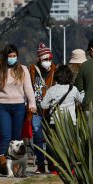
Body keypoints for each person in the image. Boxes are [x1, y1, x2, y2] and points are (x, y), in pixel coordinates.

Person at [0, 44, 37, 160]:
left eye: (14, 56)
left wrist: (32, 104)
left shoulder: (23, 70)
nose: (12, 58)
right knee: (5, 136)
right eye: (10, 56)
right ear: (5, 57)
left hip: (19, 107)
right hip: (2, 107)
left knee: (16, 138)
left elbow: (28, 88)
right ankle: (3, 162)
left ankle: (15, 163)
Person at [40, 65, 84, 175]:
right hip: (70, 123)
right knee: (70, 145)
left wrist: (51, 103)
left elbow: (43, 106)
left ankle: (55, 168)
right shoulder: (73, 89)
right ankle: (71, 168)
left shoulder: (52, 90)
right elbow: (82, 100)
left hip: (55, 122)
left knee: (54, 146)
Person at [28, 42, 57, 174]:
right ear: (39, 59)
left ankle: (51, 164)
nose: (48, 62)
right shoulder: (32, 69)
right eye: (45, 59)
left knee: (51, 139)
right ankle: (40, 165)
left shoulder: (55, 70)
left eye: (50, 59)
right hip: (36, 111)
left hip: (50, 110)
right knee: (38, 137)